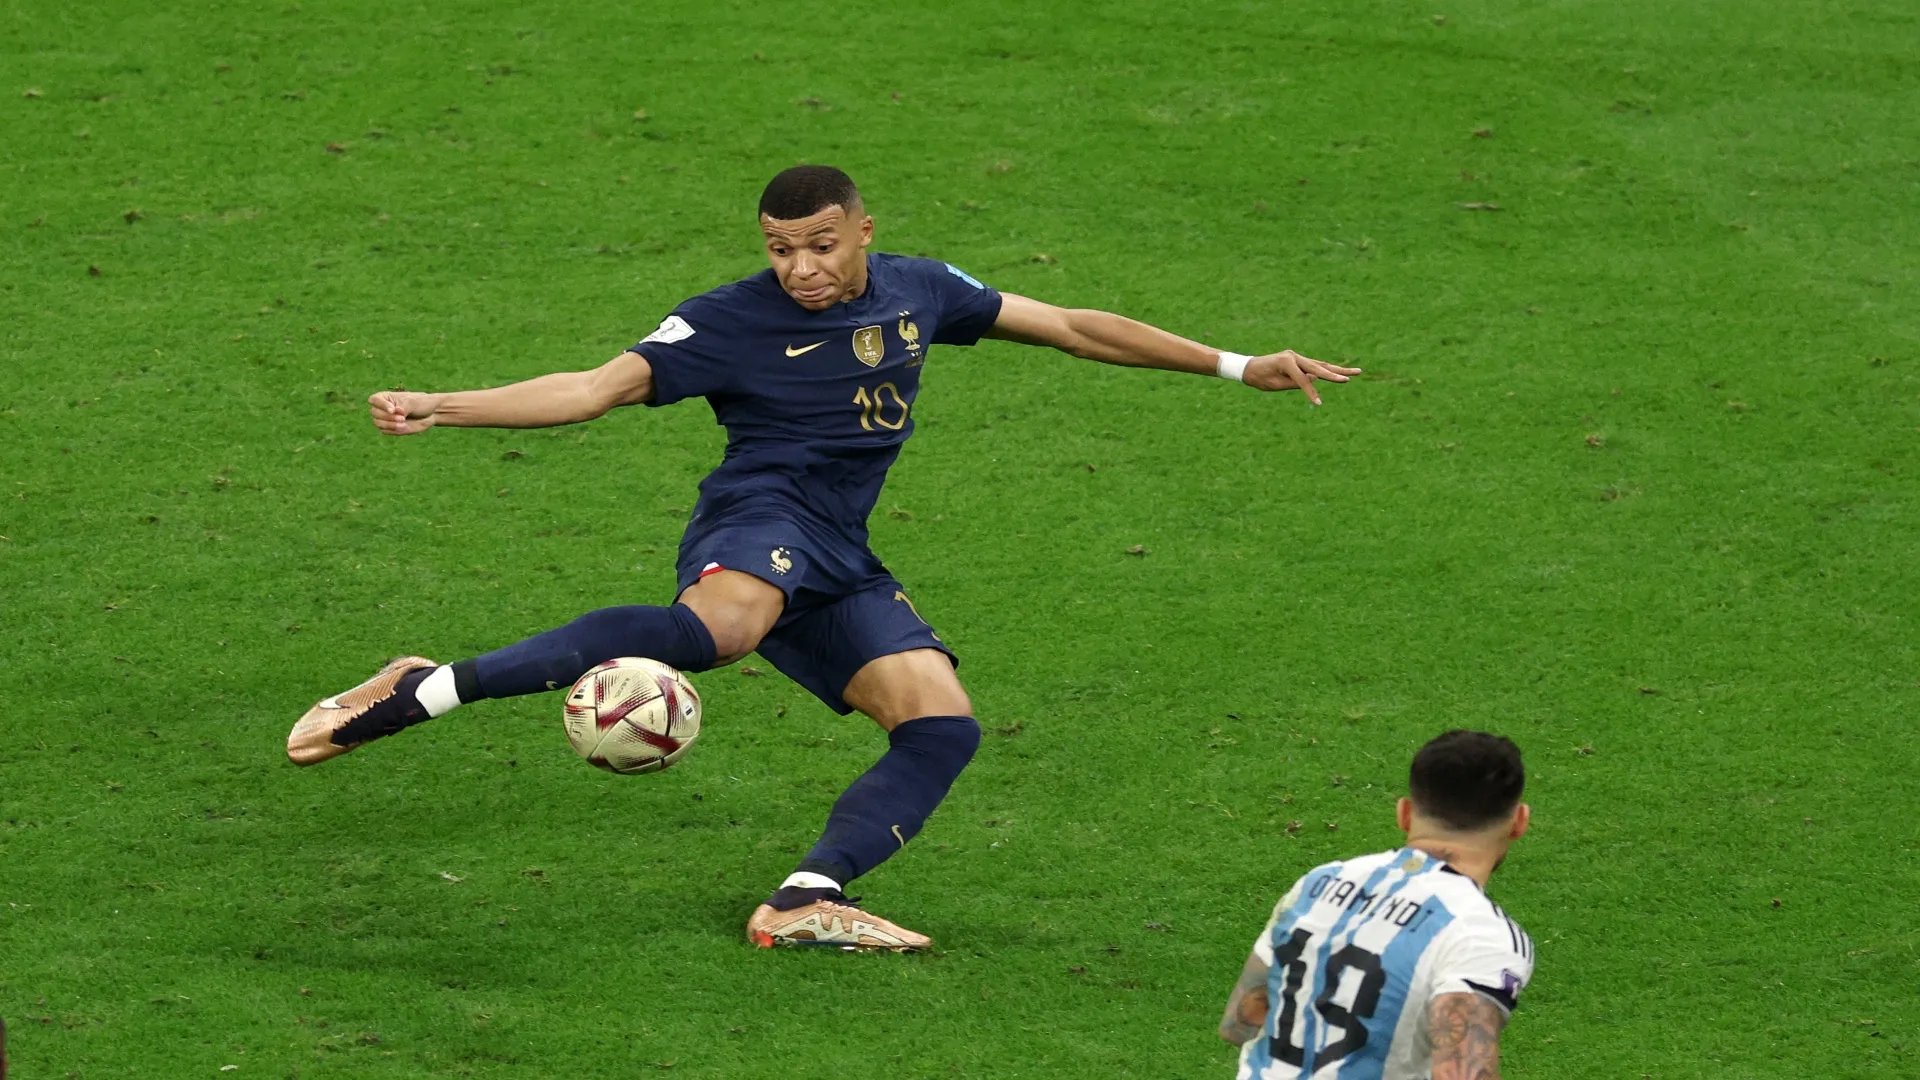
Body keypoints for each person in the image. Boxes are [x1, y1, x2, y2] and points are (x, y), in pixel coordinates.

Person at [287, 165, 1361, 950]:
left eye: (819, 246)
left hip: (839, 551)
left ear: (862, 234)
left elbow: (1077, 325)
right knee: (721, 634)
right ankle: (417, 691)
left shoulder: (920, 290)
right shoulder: (723, 323)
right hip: (760, 514)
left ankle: (803, 900)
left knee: (940, 727)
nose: (798, 267)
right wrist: (444, 404)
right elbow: (589, 389)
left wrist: (1236, 365)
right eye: (779, 248)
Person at [1218, 730, 1534, 1078]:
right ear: (1519, 821)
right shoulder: (1480, 933)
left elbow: (1239, 1023)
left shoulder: (1318, 883)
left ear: (1405, 814)